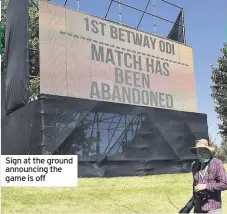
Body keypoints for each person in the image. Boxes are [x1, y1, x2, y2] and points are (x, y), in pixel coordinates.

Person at [190, 139, 227, 214]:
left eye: (203, 150)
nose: (200, 153)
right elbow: (195, 185)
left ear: (208, 151)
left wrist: (206, 186)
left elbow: (225, 184)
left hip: (212, 209)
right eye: (198, 151)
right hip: (198, 209)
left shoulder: (217, 163)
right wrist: (192, 202)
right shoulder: (194, 165)